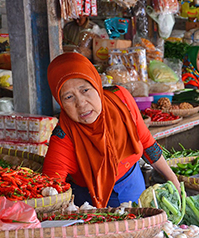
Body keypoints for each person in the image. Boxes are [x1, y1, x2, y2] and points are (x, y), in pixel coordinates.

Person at [44, 53, 180, 208]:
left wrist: (172, 179)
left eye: (85, 90)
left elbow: (147, 143)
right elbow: (49, 191)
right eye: (69, 97)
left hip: (133, 187)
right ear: (60, 102)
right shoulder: (63, 137)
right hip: (90, 206)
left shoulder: (121, 100)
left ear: (96, 85)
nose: (81, 104)